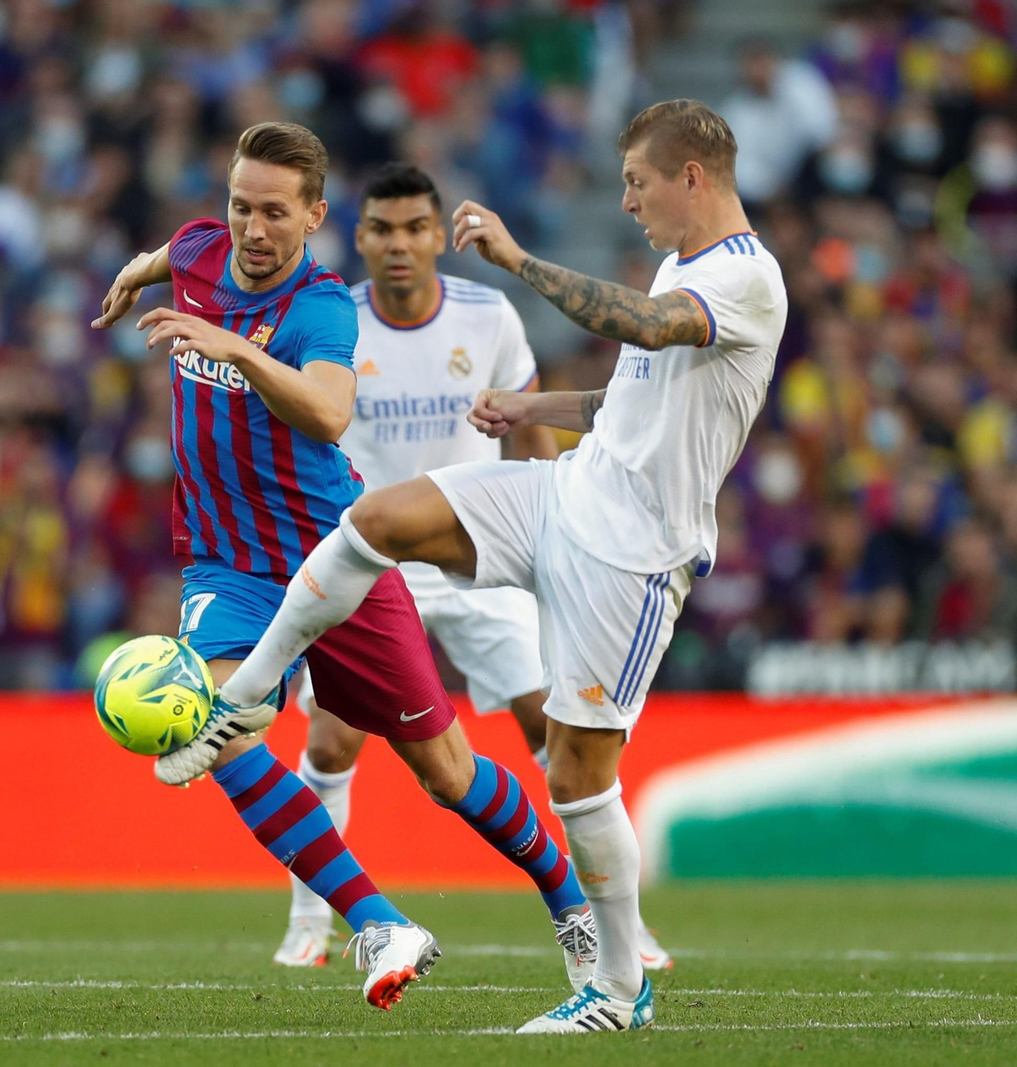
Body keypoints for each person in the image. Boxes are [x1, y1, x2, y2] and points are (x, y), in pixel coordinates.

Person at [189, 101, 788, 1033]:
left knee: (579, 776)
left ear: (692, 178)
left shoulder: (747, 278)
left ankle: (621, 990)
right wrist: (532, 403)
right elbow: (634, 392)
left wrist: (517, 262)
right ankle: (249, 691)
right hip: (566, 490)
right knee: (375, 518)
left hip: (633, 551)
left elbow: (646, 325)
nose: (627, 200)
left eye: (636, 180)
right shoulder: (687, 265)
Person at [92, 122, 595, 1011]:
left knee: (444, 771)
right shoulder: (206, 250)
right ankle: (377, 921)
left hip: (339, 564)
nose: (252, 229)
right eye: (242, 206)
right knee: (218, 723)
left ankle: (567, 896)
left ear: (316, 217)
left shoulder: (320, 307)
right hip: (230, 566)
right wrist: (140, 267)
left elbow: (328, 412)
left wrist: (237, 349)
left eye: (274, 213)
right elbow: (180, 249)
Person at [268, 161, 674, 975]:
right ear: (359, 236)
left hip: (477, 553)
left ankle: (618, 928)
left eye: (416, 228)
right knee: (338, 737)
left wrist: (557, 540)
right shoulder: (331, 320)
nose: (399, 245)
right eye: (381, 229)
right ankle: (309, 920)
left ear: (438, 234)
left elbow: (528, 435)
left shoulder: (487, 317)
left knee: (560, 731)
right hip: (373, 563)